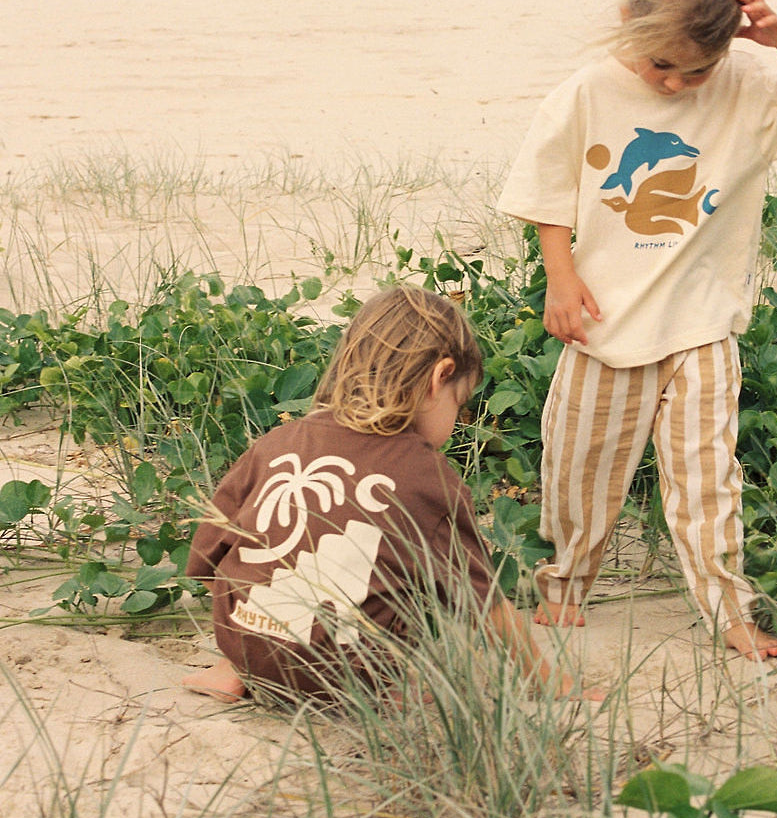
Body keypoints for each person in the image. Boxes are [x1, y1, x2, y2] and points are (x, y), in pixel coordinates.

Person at [497, 0, 777, 661]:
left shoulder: (748, 84)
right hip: (603, 324)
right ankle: (564, 589)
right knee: (578, 469)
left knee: (707, 480)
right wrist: (560, 277)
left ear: (729, 46)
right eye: (662, 66)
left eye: (697, 70)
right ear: (628, 21)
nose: (677, 84)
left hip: (701, 324)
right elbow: (547, 191)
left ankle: (729, 611)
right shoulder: (587, 91)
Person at [183, 286, 597, 704]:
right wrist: (549, 680)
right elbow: (483, 601)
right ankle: (389, 688)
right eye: (460, 402)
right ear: (439, 378)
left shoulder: (278, 441)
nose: (457, 420)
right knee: (418, 639)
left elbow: (207, 550)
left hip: (243, 639)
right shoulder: (425, 476)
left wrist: (246, 631)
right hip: (340, 669)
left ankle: (233, 667)